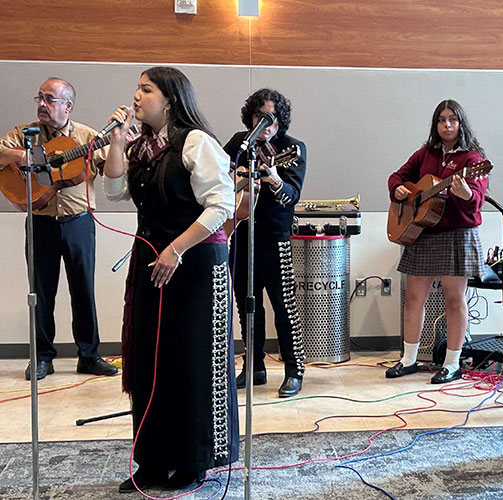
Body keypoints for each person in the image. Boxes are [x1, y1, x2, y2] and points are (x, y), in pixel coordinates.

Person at [103, 66, 238, 492]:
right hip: (153, 262)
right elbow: (112, 192)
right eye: (137, 89)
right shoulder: (141, 147)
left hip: (195, 263)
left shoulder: (196, 143)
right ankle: (153, 461)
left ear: (171, 99)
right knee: (148, 360)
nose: (137, 97)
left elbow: (221, 206)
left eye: (146, 89)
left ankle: (193, 460)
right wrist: (116, 145)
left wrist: (176, 248)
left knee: (190, 362)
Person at [0, 78, 118, 381]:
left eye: (50, 99)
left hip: (79, 222)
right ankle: (42, 358)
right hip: (40, 223)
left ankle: (89, 356)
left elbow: (114, 170)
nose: (42, 104)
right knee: (40, 292)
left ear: (68, 105)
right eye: (39, 98)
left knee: (84, 290)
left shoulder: (87, 136)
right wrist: (20, 156)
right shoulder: (23, 135)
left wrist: (119, 144)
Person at [385, 99, 488, 384]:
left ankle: (452, 363)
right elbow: (396, 176)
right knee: (414, 298)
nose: (447, 125)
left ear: (461, 123)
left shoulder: (473, 161)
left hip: (456, 234)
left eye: (452, 120)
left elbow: (475, 202)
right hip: (423, 231)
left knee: (454, 300)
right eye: (441, 120)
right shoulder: (425, 154)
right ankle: (408, 359)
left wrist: (466, 194)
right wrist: (401, 190)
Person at [224, 88, 307, 398]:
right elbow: (218, 177)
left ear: (280, 119)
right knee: (248, 303)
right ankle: (254, 366)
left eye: (271, 117)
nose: (266, 123)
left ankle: (293, 370)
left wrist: (273, 178)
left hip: (275, 238)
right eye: (260, 117)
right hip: (242, 234)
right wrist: (236, 178)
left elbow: (291, 196)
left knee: (284, 307)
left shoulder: (292, 148)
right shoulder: (238, 143)